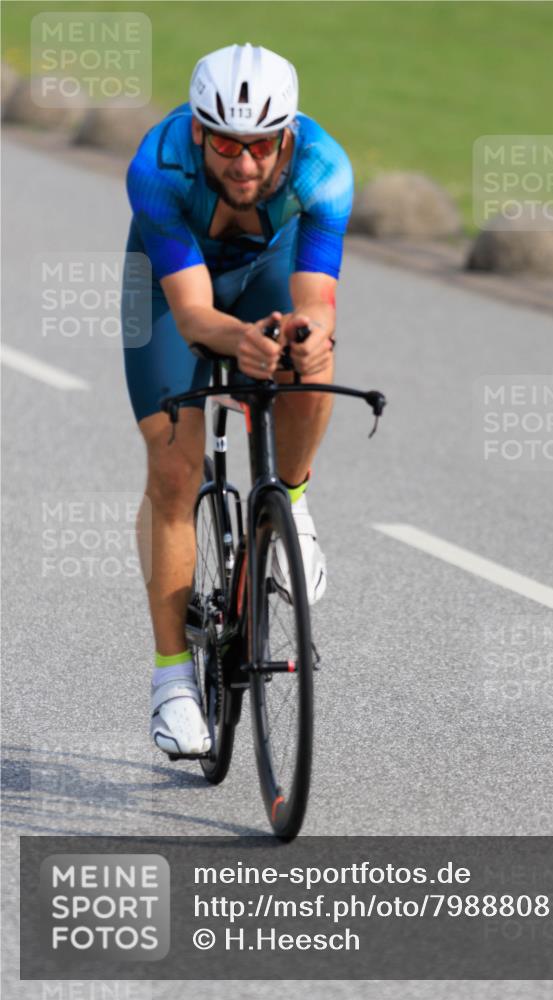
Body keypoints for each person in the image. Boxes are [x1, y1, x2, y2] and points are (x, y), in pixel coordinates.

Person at [122, 43, 354, 758]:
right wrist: (239, 339)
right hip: (170, 289)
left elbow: (316, 302)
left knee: (311, 363)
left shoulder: (325, 172)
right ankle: (171, 687)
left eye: (260, 146)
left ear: (286, 137)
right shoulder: (157, 168)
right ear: (197, 131)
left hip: (268, 268)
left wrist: (301, 340)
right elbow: (193, 317)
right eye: (225, 143)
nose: (244, 164)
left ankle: (293, 499)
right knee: (172, 470)